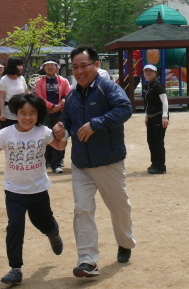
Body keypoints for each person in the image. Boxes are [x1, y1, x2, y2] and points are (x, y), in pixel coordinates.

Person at [55, 45, 136, 278]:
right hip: (81, 164)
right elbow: (68, 121)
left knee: (119, 208)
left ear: (96, 65)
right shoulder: (70, 95)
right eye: (75, 67)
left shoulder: (107, 88)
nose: (79, 71)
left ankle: (125, 243)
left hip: (109, 161)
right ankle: (88, 261)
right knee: (82, 210)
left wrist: (96, 124)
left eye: (84, 65)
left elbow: (124, 109)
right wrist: (62, 128)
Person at [0, 93, 67, 285]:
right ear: (16, 112)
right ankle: (15, 268)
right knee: (15, 227)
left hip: (38, 189)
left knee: (42, 222)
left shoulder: (43, 132)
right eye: (23, 113)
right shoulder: (6, 133)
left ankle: (52, 231)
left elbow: (59, 146)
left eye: (32, 113)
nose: (27, 117)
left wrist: (62, 134)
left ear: (38, 114)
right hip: (14, 190)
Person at [35, 58, 72, 174]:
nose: (50, 67)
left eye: (52, 65)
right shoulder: (39, 82)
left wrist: (59, 107)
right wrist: (51, 106)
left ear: (57, 67)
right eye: (47, 65)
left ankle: (57, 164)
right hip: (45, 114)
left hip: (60, 114)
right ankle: (44, 163)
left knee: (59, 136)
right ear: (44, 68)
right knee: (45, 137)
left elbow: (68, 95)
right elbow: (39, 97)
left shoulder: (64, 81)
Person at [143, 64, 170, 174]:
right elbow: (147, 103)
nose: (148, 73)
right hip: (150, 116)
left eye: (151, 71)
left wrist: (164, 116)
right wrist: (146, 115)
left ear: (155, 73)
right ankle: (154, 162)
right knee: (151, 140)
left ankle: (161, 166)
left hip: (159, 116)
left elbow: (165, 101)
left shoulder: (158, 85)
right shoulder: (146, 86)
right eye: (146, 71)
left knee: (158, 141)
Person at [0, 57, 29, 129]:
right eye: (19, 65)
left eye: (22, 65)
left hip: (22, 110)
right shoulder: (4, 80)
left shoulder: (21, 78)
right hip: (9, 112)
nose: (21, 67)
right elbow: (2, 98)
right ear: (13, 66)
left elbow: (26, 92)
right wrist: (2, 113)